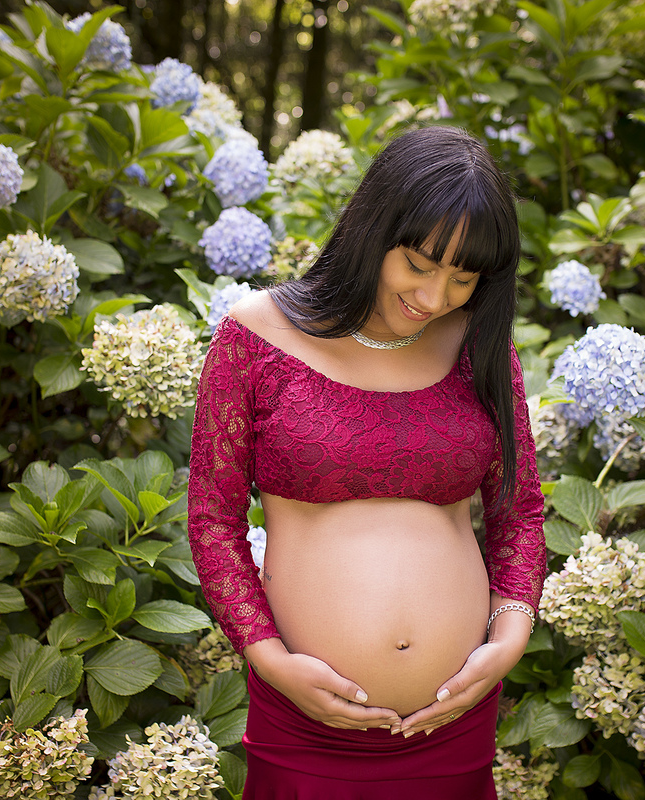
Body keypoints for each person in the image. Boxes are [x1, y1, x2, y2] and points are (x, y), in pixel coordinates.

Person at [188, 125, 547, 799]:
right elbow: (213, 517)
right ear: (373, 230)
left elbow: (518, 509)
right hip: (306, 721)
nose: (435, 298)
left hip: (453, 719)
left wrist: (509, 638)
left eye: (462, 277)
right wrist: (269, 661)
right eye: (419, 264)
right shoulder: (256, 336)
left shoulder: (479, 347)